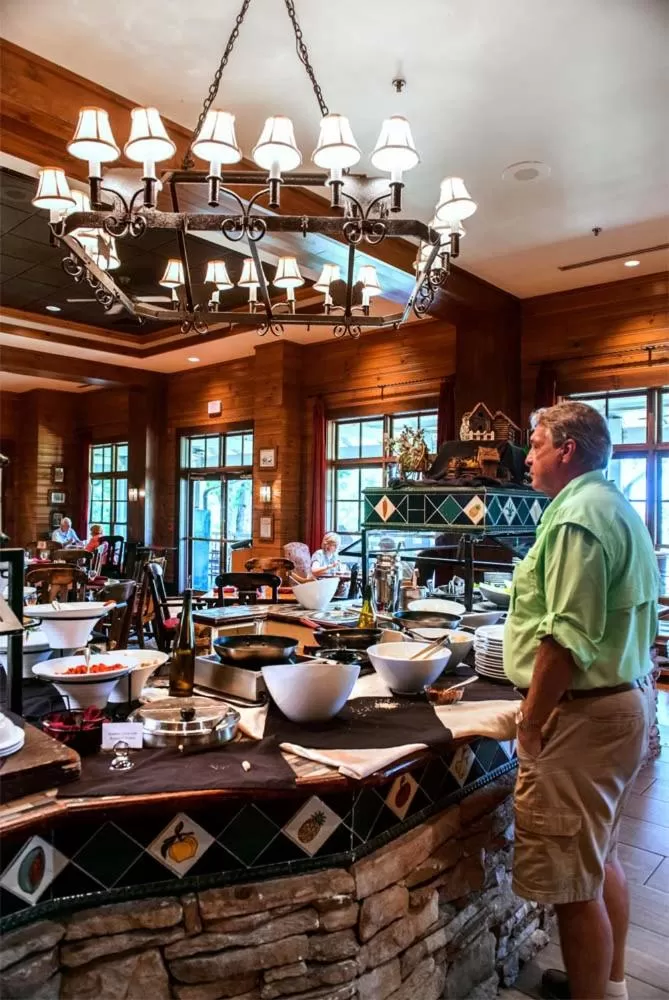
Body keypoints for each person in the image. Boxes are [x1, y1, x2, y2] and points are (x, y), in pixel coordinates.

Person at [504, 401, 658, 1000]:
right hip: (625, 700)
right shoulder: (612, 503)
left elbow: (565, 638)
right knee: (600, 858)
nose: (528, 457)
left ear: (567, 450)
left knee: (573, 887)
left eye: (536, 444)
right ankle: (609, 986)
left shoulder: (577, 518)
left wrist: (530, 723)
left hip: (584, 718)